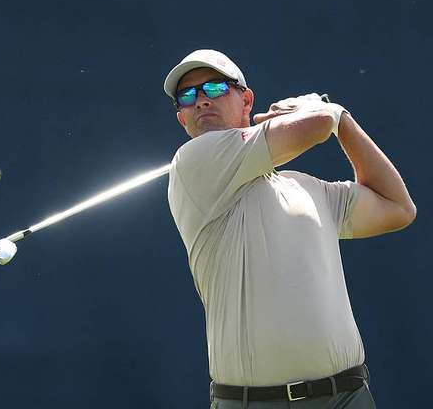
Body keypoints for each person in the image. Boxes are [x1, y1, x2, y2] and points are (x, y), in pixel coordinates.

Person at [163, 49, 417, 409]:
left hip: (347, 397)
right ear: (182, 119)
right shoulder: (193, 162)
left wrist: (342, 120)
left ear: (246, 99)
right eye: (187, 97)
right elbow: (313, 127)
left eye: (216, 88)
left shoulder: (307, 187)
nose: (202, 101)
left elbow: (397, 208)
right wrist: (322, 111)